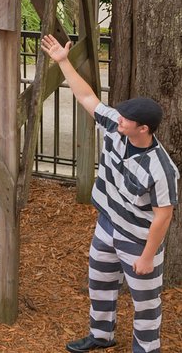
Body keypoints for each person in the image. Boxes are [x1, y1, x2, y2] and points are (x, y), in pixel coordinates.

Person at [41, 34, 179, 353]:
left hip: (138, 241)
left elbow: (164, 216)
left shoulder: (161, 168)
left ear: (143, 128)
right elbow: (87, 97)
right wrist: (63, 61)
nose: (119, 118)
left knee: (146, 306)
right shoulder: (116, 130)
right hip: (107, 226)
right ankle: (101, 335)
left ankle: (146, 350)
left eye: (127, 119)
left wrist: (146, 256)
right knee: (100, 285)